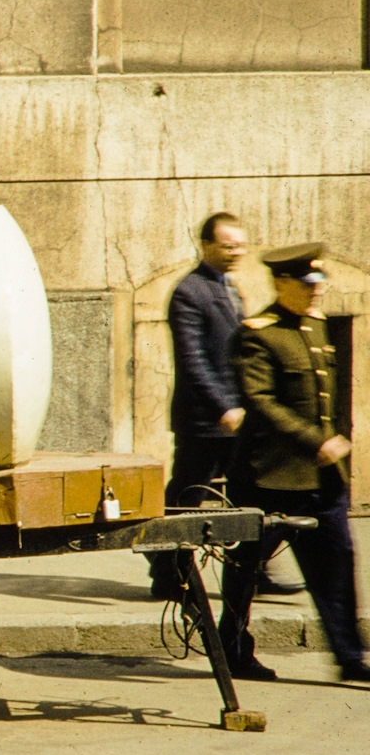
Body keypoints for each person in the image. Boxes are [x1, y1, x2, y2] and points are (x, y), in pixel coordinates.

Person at [214, 244, 370, 685]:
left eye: (320, 282)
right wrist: (316, 442)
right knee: (245, 572)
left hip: (320, 481)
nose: (317, 291)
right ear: (282, 284)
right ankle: (234, 651)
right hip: (268, 478)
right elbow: (260, 402)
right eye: (308, 284)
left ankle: (349, 656)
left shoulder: (316, 327)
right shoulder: (257, 334)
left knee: (337, 565)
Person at [152, 213, 298, 600]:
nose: (237, 252)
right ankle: (167, 572)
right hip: (205, 421)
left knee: (252, 497)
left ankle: (253, 569)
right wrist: (224, 408)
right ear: (206, 246)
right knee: (188, 498)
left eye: (241, 245)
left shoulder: (230, 286)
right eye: (228, 245)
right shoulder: (189, 291)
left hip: (239, 417)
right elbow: (193, 361)